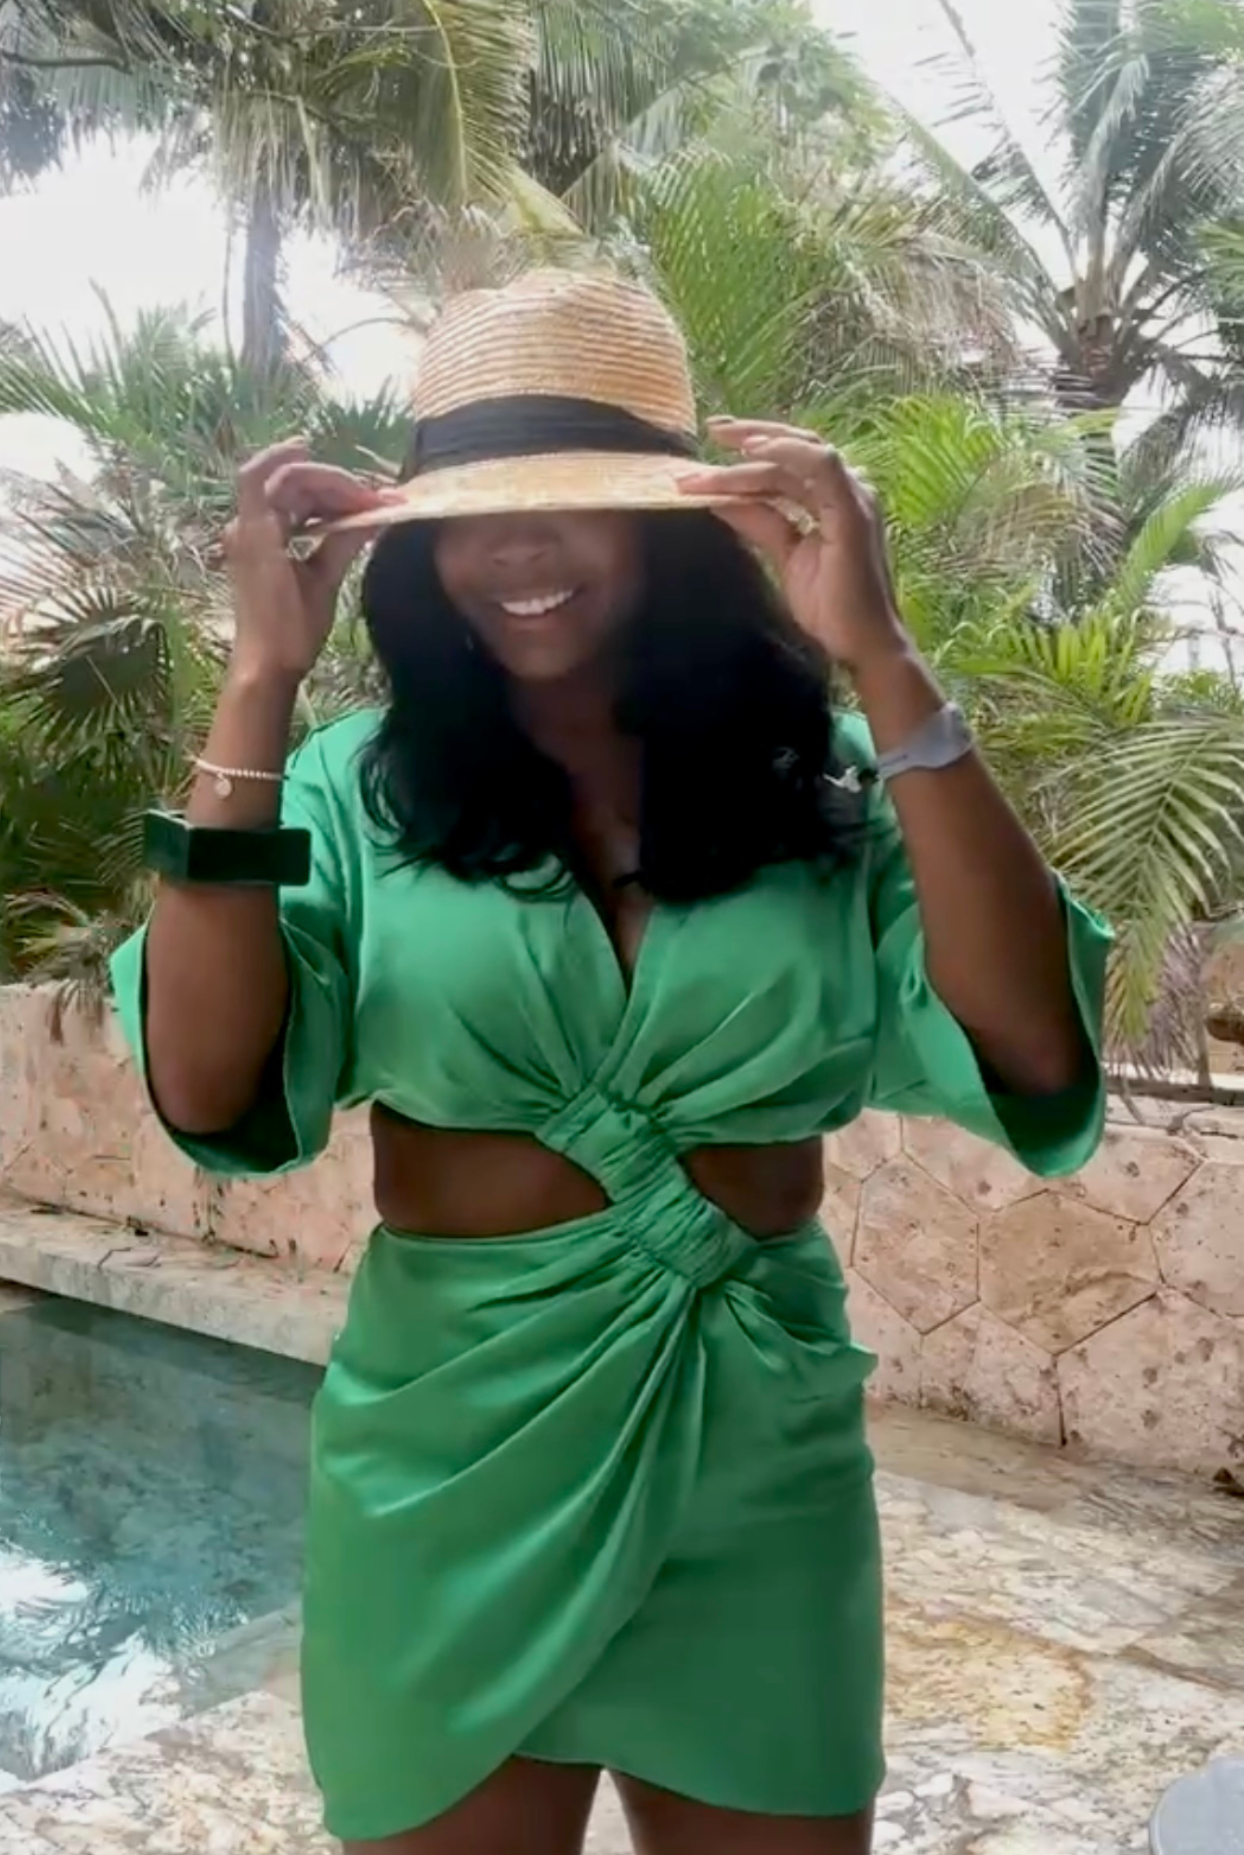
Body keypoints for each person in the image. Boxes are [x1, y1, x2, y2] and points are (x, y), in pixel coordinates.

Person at [112, 270, 1109, 1855]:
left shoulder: (826, 784)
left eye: (573, 503)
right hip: (455, 1441)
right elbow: (207, 1086)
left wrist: (882, 659)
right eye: (470, 518)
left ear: (670, 530)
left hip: (752, 1436)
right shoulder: (349, 790)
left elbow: (1032, 1039)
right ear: (420, 551)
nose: (516, 550)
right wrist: (258, 679)